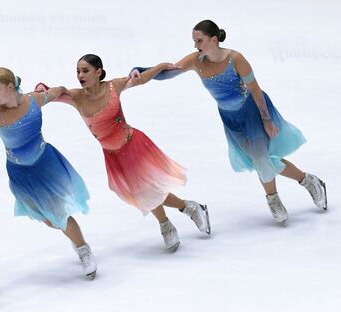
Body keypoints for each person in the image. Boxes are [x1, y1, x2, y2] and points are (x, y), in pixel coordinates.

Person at [131, 20, 327, 224]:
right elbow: (165, 74)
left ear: (213, 40)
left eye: (199, 40)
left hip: (252, 111)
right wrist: (140, 70)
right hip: (230, 118)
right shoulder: (196, 60)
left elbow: (256, 90)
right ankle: (308, 180)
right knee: (263, 161)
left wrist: (266, 119)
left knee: (261, 160)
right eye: (194, 41)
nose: (195, 45)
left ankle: (273, 199)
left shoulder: (236, 59)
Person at [36, 54, 210, 252]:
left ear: (98, 72)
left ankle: (172, 220)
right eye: (78, 71)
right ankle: (187, 208)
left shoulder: (113, 86)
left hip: (133, 145)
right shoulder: (76, 97)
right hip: (113, 155)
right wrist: (43, 89)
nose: (80, 75)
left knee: (147, 191)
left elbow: (140, 79)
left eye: (85, 71)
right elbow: (53, 95)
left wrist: (159, 65)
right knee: (143, 192)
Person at [0, 67, 97, 280]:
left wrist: (59, 90)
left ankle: (83, 249)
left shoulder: (33, 101)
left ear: (11, 87)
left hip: (46, 165)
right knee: (50, 219)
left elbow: (55, 92)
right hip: (20, 174)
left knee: (59, 214)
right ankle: (72, 236)